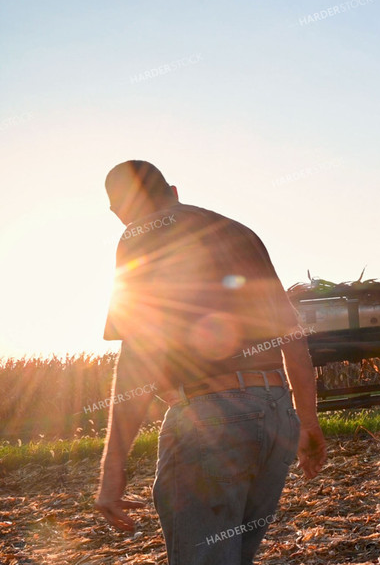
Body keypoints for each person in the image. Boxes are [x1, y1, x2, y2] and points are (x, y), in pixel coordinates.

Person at [94, 160, 327, 564]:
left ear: (120, 209)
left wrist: (113, 468)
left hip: (214, 419)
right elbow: (293, 335)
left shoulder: (139, 234)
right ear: (174, 191)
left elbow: (138, 354)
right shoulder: (239, 232)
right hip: (275, 419)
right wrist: (307, 422)